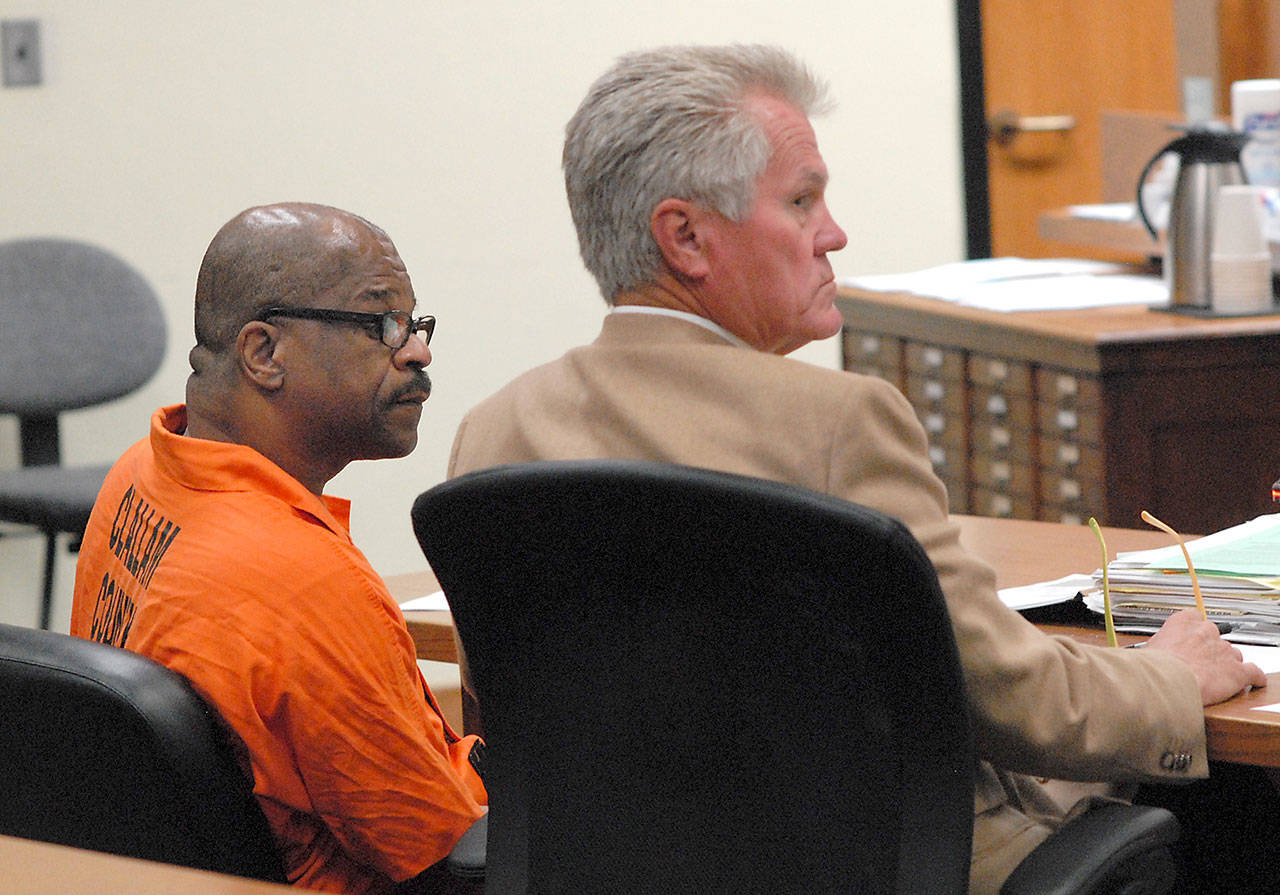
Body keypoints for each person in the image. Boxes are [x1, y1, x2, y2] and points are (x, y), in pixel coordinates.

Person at [446, 45, 1265, 892]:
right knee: (1230, 796)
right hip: (886, 867)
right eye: (802, 201)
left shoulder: (494, 431)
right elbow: (1010, 701)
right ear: (684, 236)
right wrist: (1168, 676)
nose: (834, 232)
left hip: (623, 870)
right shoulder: (838, 422)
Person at [70, 202, 486, 894]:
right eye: (382, 323)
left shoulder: (140, 472)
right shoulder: (300, 582)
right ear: (264, 353)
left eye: (415, 323)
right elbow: (445, 849)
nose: (417, 349)